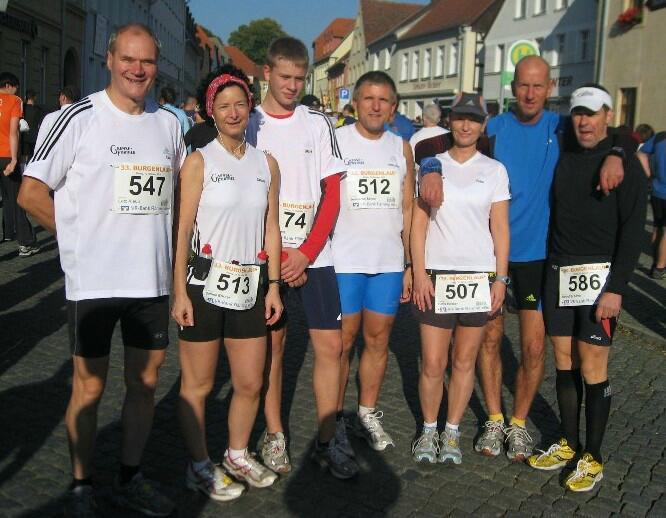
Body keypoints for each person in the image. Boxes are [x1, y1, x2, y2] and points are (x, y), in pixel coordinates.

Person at [418, 55, 627, 461]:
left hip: (538, 256)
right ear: (513, 88)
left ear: (550, 89)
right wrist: (428, 166)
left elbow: (612, 134)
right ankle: (494, 418)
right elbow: (438, 145)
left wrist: (617, 151)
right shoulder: (494, 127)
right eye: (523, 86)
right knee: (489, 340)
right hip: (490, 256)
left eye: (538, 86)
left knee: (533, 348)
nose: (530, 94)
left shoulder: (561, 127)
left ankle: (518, 423)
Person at [18, 24, 184, 517]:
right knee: (89, 387)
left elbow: (179, 196)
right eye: (128, 59)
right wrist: (77, 238)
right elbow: (30, 193)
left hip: (150, 281)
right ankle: (80, 486)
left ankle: (131, 477)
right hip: (93, 282)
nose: (137, 69)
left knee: (145, 385)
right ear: (109, 59)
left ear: (156, 67)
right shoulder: (77, 117)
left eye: (147, 61)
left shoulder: (168, 124)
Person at [245, 37, 357, 479]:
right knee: (273, 347)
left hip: (315, 256)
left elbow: (333, 193)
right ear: (267, 73)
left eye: (299, 78)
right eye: (285, 77)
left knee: (331, 346)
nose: (292, 85)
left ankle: (328, 440)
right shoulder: (249, 122)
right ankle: (274, 433)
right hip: (266, 256)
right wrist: (275, 255)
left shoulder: (318, 122)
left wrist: (307, 253)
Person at [527, 85, 646, 492]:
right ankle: (568, 442)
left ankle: (592, 456)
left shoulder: (625, 164)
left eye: (592, 114)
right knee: (564, 363)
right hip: (560, 272)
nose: (584, 121)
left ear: (607, 115)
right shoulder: (563, 149)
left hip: (601, 279)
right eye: (579, 113)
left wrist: (617, 289)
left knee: (593, 366)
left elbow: (633, 232)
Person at [172, 65, 283, 500]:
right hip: (203, 284)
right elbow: (182, 229)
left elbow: (271, 227)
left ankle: (237, 454)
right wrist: (179, 291)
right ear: (211, 112)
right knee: (198, 386)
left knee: (250, 383)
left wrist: (274, 285)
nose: (233, 112)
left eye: (240, 104)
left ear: (249, 108)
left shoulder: (266, 163)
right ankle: (198, 465)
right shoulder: (199, 161)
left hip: (250, 285)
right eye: (224, 106)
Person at [410, 93, 510, 465]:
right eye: (460, 118)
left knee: (465, 361)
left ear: (483, 126)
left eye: (474, 119)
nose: (466, 125)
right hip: (437, 276)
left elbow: (500, 229)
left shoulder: (495, 170)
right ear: (450, 121)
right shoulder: (432, 167)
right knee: (433, 363)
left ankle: (452, 431)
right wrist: (420, 272)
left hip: (478, 278)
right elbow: (418, 226)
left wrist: (500, 279)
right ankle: (429, 429)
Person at [331, 71, 414, 455]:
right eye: (369, 98)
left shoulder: (401, 147)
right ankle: (333, 420)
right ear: (356, 103)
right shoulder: (338, 141)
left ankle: (366, 413)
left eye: (383, 100)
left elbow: (408, 208)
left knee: (378, 340)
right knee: (342, 344)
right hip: (345, 259)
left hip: (388, 262)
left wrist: (410, 263)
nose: (376, 106)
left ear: (393, 107)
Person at [0, 72, 38, 256]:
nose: (16, 91)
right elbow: (13, 131)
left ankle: (7, 232)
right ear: (8, 85)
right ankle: (25, 243)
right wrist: (15, 159)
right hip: (6, 155)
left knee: (5, 198)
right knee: (17, 198)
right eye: (15, 87)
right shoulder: (14, 101)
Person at [638, 130, 666, 279]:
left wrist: (649, 174)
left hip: (657, 189)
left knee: (657, 227)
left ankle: (655, 263)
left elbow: (641, 153)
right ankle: (660, 268)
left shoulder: (660, 137)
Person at [21, 89, 44, 161]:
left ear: (25, 97)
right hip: (34, 137)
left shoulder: (22, 108)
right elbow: (40, 124)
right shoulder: (38, 110)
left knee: (23, 157)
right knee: (33, 157)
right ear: (35, 97)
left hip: (23, 136)